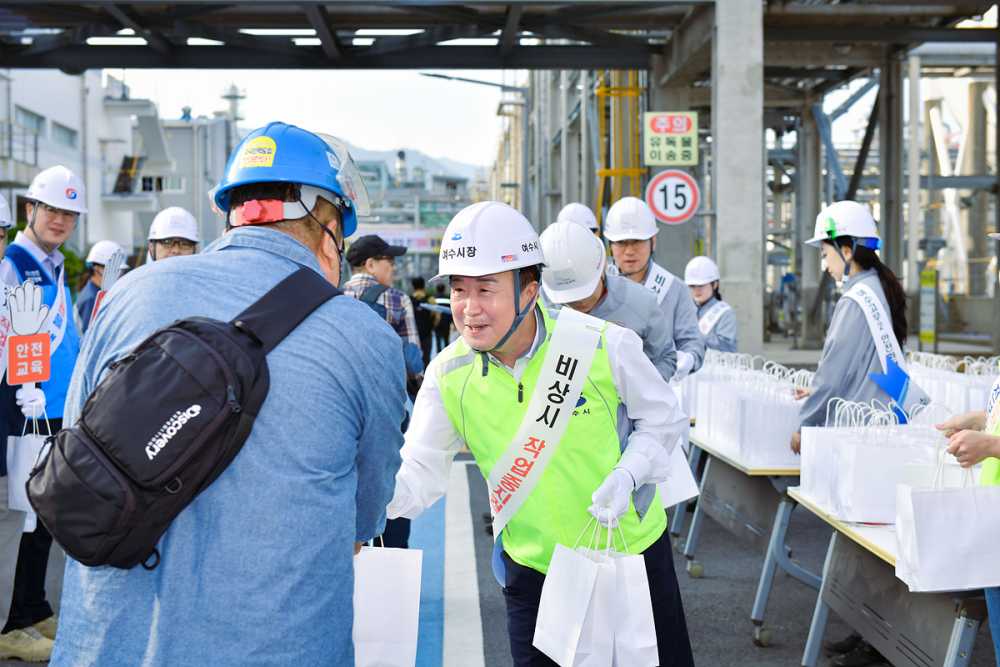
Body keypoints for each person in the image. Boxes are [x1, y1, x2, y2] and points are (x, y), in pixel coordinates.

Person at [50, 122, 406, 665]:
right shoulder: (363, 335)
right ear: (328, 225)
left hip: (110, 643)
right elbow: (370, 500)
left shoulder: (127, 295)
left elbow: (77, 446)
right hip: (279, 642)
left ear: (231, 211)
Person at [388, 201, 694, 667]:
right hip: (533, 573)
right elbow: (418, 474)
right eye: (459, 289)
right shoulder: (448, 374)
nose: (469, 309)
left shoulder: (600, 343)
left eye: (486, 289)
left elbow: (664, 418)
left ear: (530, 292)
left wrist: (630, 473)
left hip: (629, 559)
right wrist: (358, 498)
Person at [790, 200, 924, 667]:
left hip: (867, 437)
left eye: (826, 254)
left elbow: (833, 373)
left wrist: (804, 426)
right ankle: (873, 632)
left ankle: (882, 641)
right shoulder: (877, 292)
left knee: (873, 544)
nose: (825, 265)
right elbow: (867, 371)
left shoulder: (856, 300)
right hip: (880, 428)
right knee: (873, 546)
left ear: (846, 249)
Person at [0, 166, 86, 662]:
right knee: (21, 517)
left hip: (55, 411)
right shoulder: (13, 263)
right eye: (52, 209)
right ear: (30, 209)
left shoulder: (52, 264)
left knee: (44, 519)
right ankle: (12, 621)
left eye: (68, 214)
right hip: (21, 411)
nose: (59, 220)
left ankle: (33, 607)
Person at [539, 219, 677, 379]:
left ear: (602, 267)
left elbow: (665, 358)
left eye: (585, 293)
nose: (579, 303)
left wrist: (642, 390)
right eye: (569, 299)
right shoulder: (538, 307)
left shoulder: (641, 303)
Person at [604, 196, 705, 381]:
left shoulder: (674, 290)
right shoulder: (599, 286)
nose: (629, 251)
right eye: (621, 243)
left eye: (637, 241)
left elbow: (692, 342)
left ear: (653, 242)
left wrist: (688, 358)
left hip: (659, 389)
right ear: (610, 246)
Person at [684, 256, 738, 352]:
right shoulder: (686, 309)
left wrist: (693, 336)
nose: (696, 290)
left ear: (715, 284)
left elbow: (727, 348)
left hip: (715, 366)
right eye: (692, 286)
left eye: (701, 285)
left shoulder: (725, 313)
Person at [76, 240, 126, 333]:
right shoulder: (91, 299)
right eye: (115, 269)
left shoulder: (101, 293)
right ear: (97, 268)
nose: (119, 274)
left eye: (120, 270)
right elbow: (91, 338)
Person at [410, 276, 437, 366]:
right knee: (426, 357)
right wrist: (432, 326)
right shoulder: (430, 299)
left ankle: (416, 378)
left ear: (413, 286)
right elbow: (437, 316)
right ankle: (426, 377)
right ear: (424, 286)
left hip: (413, 334)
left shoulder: (409, 300)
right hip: (427, 333)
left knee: (413, 357)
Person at [433, 282, 452, 351]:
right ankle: (447, 354)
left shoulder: (433, 299)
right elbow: (451, 311)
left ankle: (439, 354)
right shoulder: (448, 298)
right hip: (446, 322)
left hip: (436, 323)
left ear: (437, 289)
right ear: (444, 289)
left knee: (438, 340)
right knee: (446, 339)